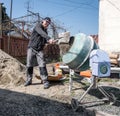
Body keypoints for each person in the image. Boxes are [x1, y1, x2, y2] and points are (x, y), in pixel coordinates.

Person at [24, 17, 54, 89]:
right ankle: (29, 80)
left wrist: (48, 41)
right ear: (43, 21)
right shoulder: (38, 26)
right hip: (31, 48)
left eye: (48, 23)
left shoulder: (45, 32)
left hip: (39, 49)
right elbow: (41, 33)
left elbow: (44, 40)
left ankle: (45, 81)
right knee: (29, 64)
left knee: (42, 64)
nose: (47, 24)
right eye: (46, 22)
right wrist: (49, 38)